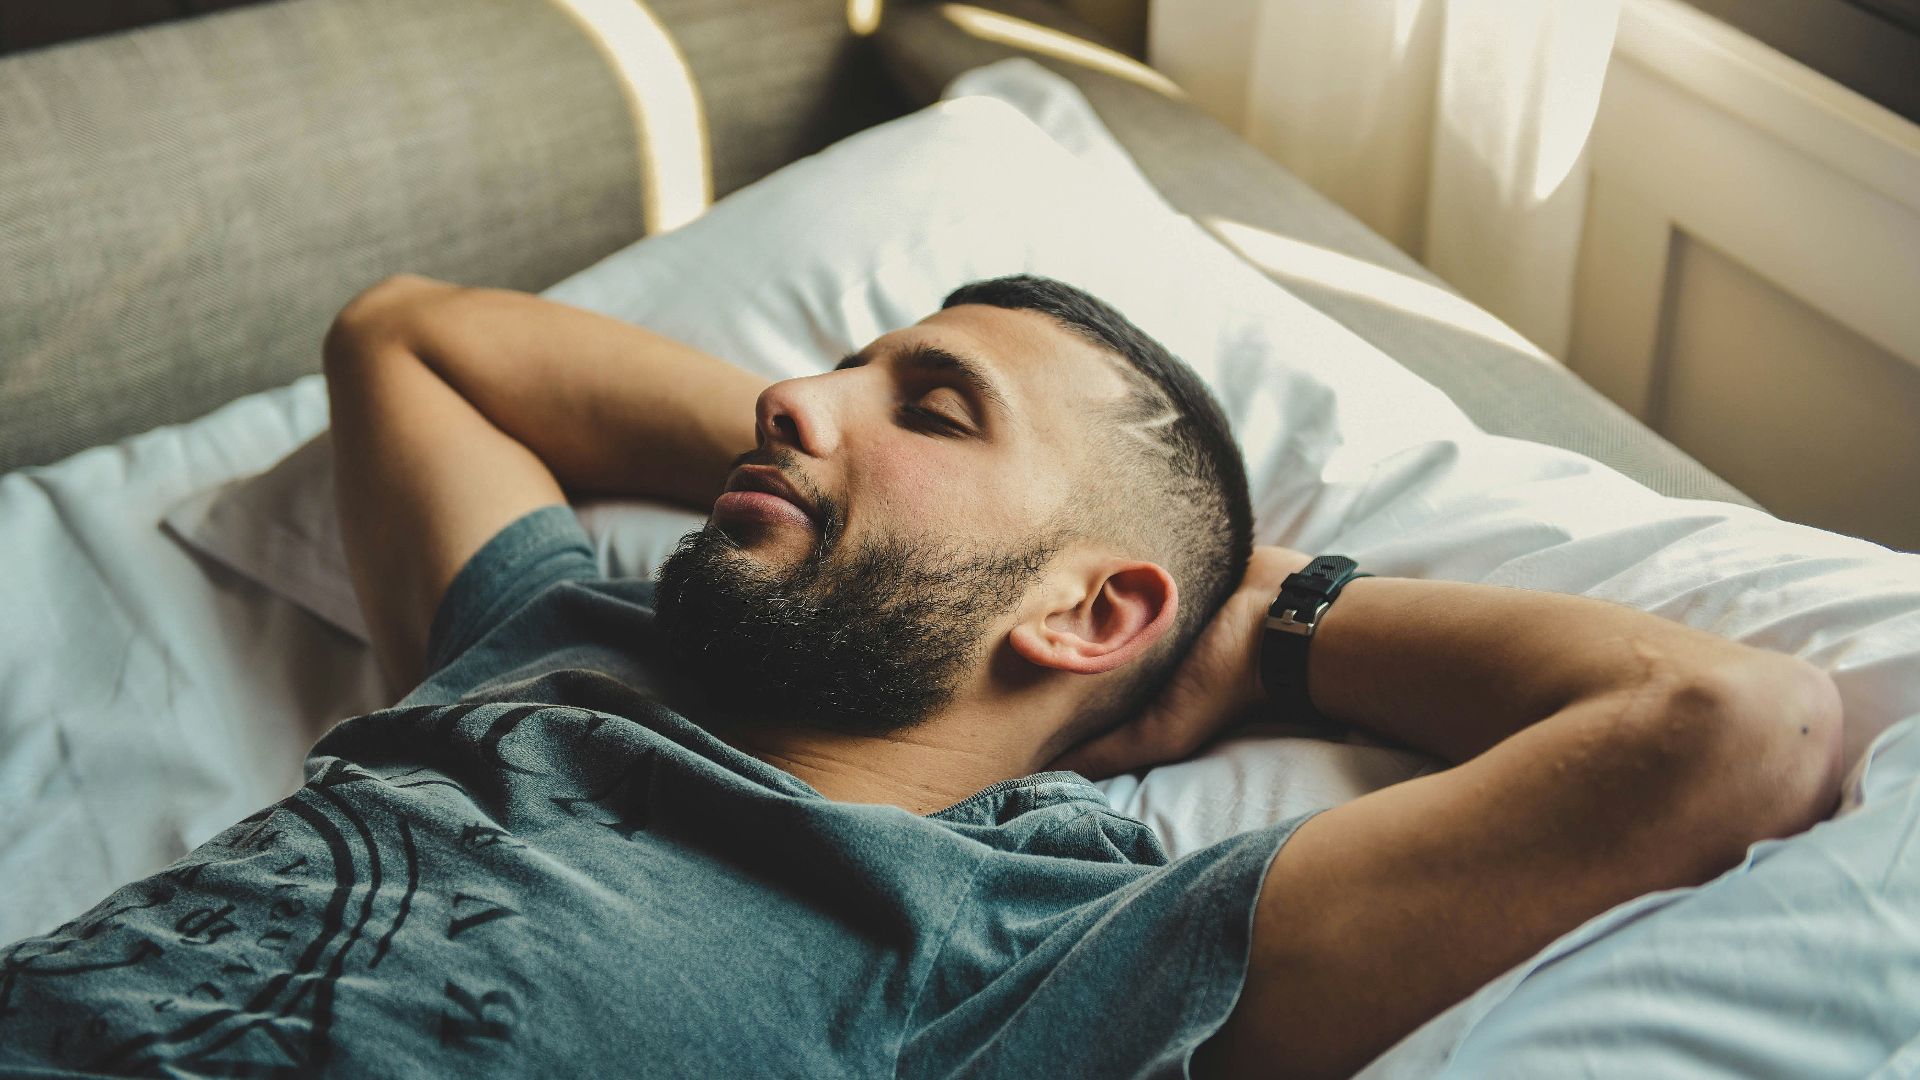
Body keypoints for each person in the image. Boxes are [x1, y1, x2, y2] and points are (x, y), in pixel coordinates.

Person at [0, 274, 1842, 1079]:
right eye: (840, 368)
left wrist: (1269, 623)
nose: (786, 400)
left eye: (932, 407)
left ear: (1091, 614)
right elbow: (413, 336)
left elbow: (1734, 724)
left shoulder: (1026, 952)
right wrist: (830, 461)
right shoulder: (560, 643)